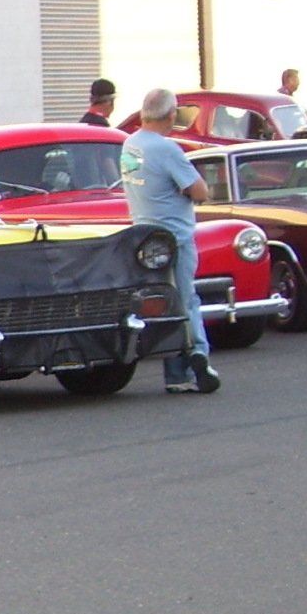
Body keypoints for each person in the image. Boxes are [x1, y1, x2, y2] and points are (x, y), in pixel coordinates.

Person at [121, 88, 220, 395]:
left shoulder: (131, 144)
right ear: (171, 115)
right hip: (175, 236)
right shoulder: (167, 149)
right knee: (186, 299)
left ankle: (175, 373)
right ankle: (197, 355)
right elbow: (199, 191)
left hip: (145, 237)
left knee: (164, 304)